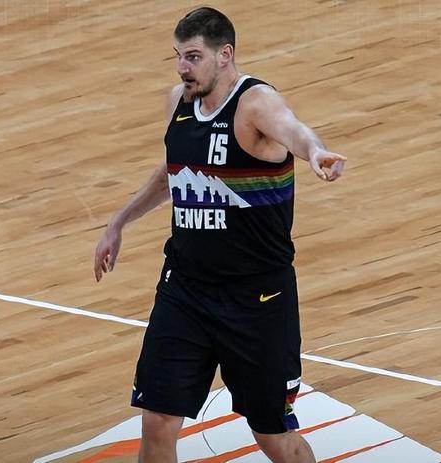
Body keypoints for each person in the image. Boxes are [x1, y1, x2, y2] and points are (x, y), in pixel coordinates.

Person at [94, 7, 346, 463]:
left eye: (192, 57)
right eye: (178, 56)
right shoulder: (179, 102)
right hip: (186, 290)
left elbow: (294, 131)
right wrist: (119, 220)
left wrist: (315, 151)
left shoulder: (256, 103)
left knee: (272, 434)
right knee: (156, 421)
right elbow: (174, 172)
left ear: (224, 55)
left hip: (257, 299)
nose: (182, 67)